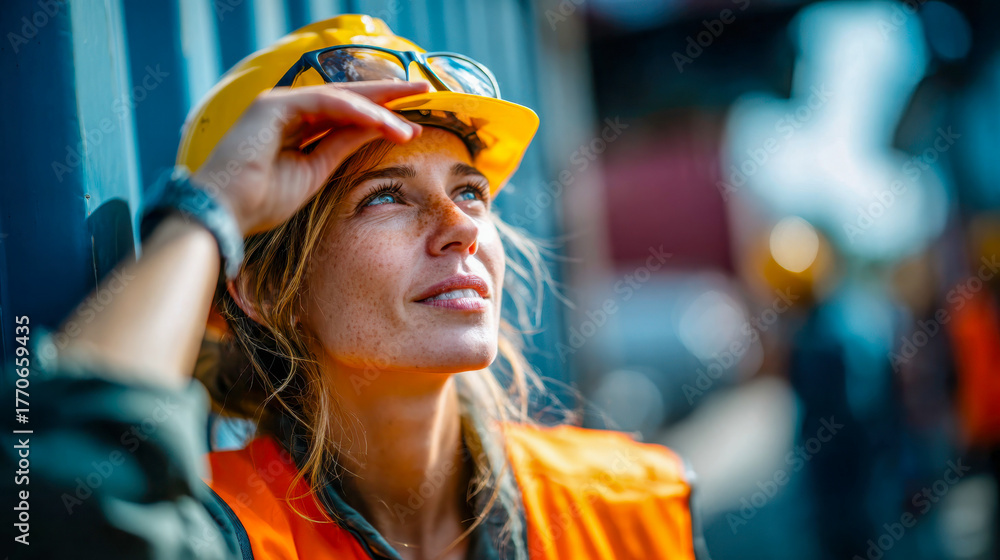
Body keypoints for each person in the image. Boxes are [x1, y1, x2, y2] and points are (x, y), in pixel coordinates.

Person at [3, 14, 707, 560]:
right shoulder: (227, 532)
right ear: (259, 288)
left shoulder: (631, 505)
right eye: (385, 198)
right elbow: (61, 488)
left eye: (470, 191)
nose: (459, 228)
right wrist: (209, 208)